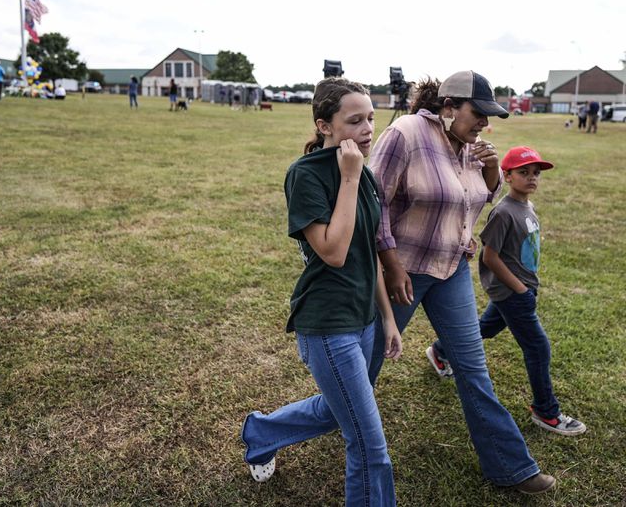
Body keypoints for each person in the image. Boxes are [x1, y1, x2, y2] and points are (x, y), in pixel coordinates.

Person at [367, 70, 556, 495]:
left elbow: (474, 199)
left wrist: (490, 171)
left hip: (451, 268)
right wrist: (391, 265)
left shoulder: (470, 146)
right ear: (448, 108)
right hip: (404, 272)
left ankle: (511, 468)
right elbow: (373, 200)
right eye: (479, 114)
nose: (485, 124)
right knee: (362, 371)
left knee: (473, 370)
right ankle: (272, 431)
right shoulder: (407, 133)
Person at [240, 78, 402, 506]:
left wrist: (386, 318)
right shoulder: (306, 176)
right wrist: (348, 180)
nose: (368, 129)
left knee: (339, 410)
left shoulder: (363, 173)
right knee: (370, 449)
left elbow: (368, 251)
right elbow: (333, 250)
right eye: (354, 120)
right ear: (324, 125)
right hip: (329, 325)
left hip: (365, 317)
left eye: (370, 118)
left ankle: (262, 431)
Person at [426, 146, 587, 437]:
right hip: (513, 294)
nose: (532, 178)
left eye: (536, 173)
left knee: (482, 330)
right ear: (507, 176)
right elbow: (490, 257)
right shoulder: (503, 212)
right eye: (523, 173)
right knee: (538, 348)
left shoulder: (527, 207)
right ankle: (546, 411)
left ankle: (440, 350)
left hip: (519, 291)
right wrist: (520, 289)